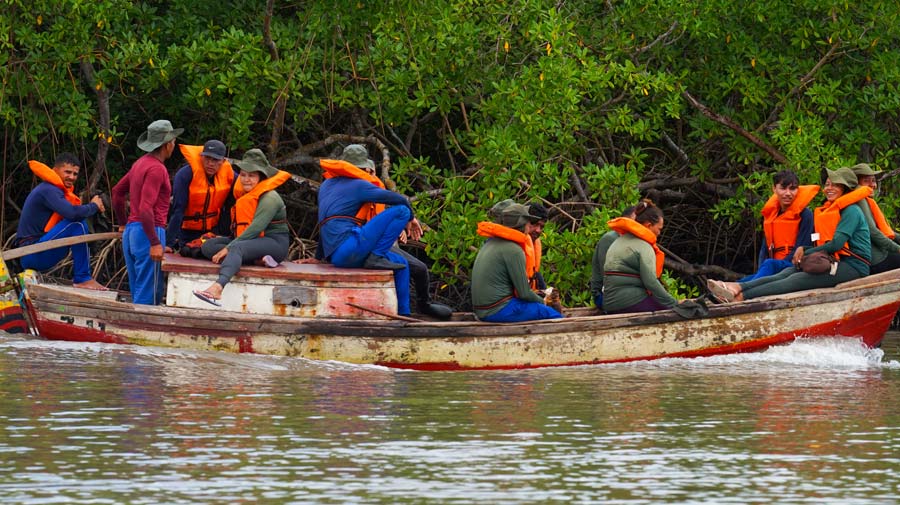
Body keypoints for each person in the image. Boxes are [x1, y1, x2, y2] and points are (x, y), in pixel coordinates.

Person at [710, 167, 871, 301]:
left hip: (853, 266)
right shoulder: (831, 210)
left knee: (796, 279)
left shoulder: (851, 211)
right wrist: (806, 250)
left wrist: (804, 250)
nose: (829, 188)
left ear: (845, 188)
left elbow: (836, 244)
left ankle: (741, 297)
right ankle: (736, 286)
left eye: (835, 185)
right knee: (788, 272)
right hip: (834, 260)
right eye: (827, 184)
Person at [315, 144, 418, 316]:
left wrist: (318, 258)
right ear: (362, 168)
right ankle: (376, 256)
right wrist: (411, 218)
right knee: (402, 211)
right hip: (350, 248)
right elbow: (401, 200)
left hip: (336, 256)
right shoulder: (360, 185)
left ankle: (404, 315)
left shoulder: (326, 186)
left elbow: (325, 224)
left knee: (402, 264)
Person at [192, 149, 291, 306]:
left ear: (261, 177)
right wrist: (228, 245)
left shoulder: (270, 198)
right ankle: (258, 260)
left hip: (275, 243)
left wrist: (230, 247)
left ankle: (217, 288)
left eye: (251, 176)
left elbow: (256, 229)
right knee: (209, 246)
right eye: (243, 175)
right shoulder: (246, 195)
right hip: (253, 241)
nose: (246, 180)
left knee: (235, 249)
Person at [112, 119, 182, 305]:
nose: (173, 146)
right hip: (148, 230)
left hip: (132, 233)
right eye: (173, 142)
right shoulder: (157, 169)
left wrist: (122, 224)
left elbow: (117, 192)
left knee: (139, 287)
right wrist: (155, 242)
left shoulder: (139, 164)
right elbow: (145, 208)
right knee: (149, 291)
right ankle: (141, 331)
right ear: (167, 145)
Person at [15, 153, 108, 290]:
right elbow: (72, 214)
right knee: (77, 224)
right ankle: (82, 278)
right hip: (31, 253)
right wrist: (94, 206)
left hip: (39, 251)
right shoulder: (48, 190)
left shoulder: (57, 191)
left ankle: (83, 277)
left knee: (77, 223)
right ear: (55, 170)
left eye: (75, 174)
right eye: (68, 172)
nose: (72, 177)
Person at [471, 202, 563, 322]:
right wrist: (544, 302)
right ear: (522, 223)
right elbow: (523, 293)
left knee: (539, 307)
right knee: (552, 314)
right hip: (497, 310)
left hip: (484, 310)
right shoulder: (514, 250)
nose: (530, 227)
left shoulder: (492, 242)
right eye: (530, 223)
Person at [601, 200, 682, 314]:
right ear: (649, 225)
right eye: (659, 229)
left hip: (609, 304)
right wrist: (674, 303)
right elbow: (651, 282)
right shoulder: (644, 246)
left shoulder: (618, 241)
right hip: (629, 302)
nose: (659, 233)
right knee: (671, 311)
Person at [740, 170, 818, 281]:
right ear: (774, 189)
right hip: (773, 266)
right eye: (783, 188)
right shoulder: (771, 216)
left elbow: (803, 247)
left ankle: (740, 288)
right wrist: (761, 269)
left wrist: (776, 268)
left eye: (792, 189)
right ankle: (729, 289)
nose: (788, 193)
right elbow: (764, 250)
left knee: (769, 265)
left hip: (793, 266)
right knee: (747, 278)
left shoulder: (805, 215)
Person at [166, 140, 237, 252]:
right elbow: (178, 210)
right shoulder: (185, 175)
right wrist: (168, 243)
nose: (210, 163)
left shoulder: (231, 177)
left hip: (214, 232)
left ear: (223, 161)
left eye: (215, 160)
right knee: (190, 251)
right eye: (207, 158)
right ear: (201, 157)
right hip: (186, 231)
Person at [850, 163, 900, 274]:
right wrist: (897, 249)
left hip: (880, 255)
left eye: (873, 181)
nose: (872, 185)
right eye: (866, 181)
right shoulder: (859, 199)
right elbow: (872, 231)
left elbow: (887, 232)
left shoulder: (865, 199)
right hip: (876, 260)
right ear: (856, 183)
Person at [589, 205, 637, 309]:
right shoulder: (610, 239)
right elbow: (608, 276)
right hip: (605, 295)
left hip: (627, 292)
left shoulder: (633, 241)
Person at [526, 202, 549, 291]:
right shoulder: (512, 246)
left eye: (541, 227)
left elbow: (535, 274)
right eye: (534, 224)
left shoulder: (534, 243)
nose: (538, 230)